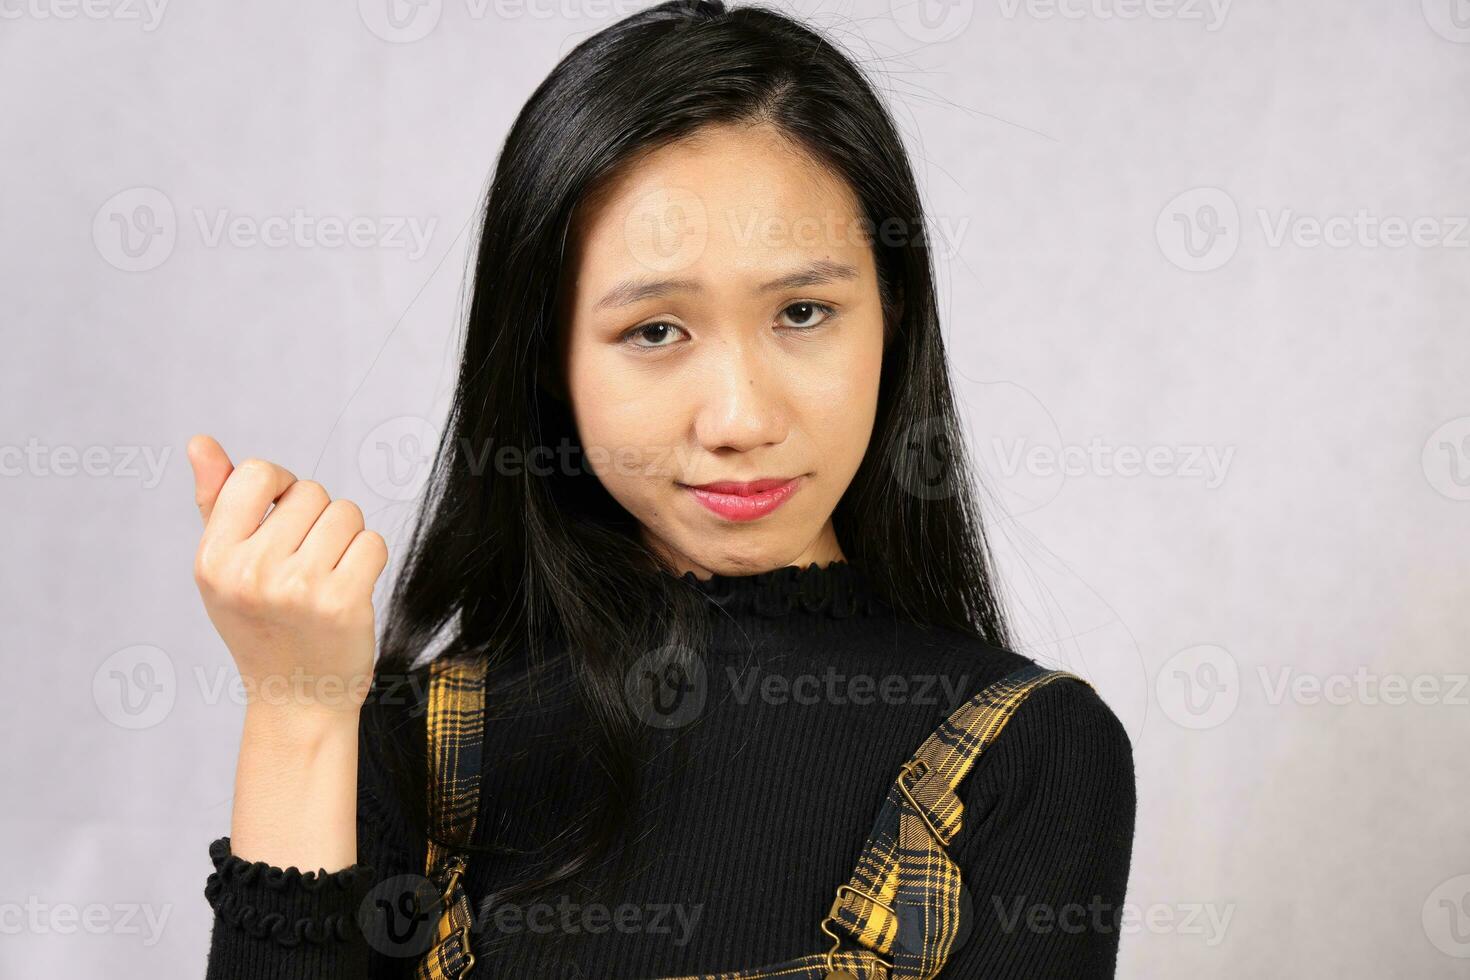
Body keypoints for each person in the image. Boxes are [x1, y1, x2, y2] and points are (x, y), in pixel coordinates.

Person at [188, 1, 1136, 976]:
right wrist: (297, 707)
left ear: (891, 318)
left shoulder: (1029, 753)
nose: (739, 416)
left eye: (803, 311)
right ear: (549, 354)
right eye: (655, 331)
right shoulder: (407, 743)